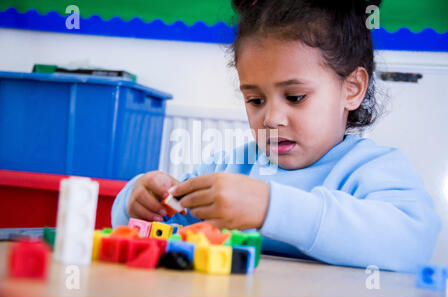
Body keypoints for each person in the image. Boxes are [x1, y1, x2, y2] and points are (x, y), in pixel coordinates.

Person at [111, 0, 441, 272]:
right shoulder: (230, 166)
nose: (271, 118)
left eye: (295, 97)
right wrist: (138, 201)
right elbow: (155, 224)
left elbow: (412, 245)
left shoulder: (373, 169)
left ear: (351, 89)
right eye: (255, 100)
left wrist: (272, 207)